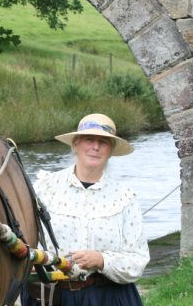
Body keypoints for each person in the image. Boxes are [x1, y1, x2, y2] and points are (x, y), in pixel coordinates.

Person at [21, 113, 150, 306]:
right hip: (53, 296)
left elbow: (138, 260)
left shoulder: (124, 196)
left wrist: (101, 260)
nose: (95, 147)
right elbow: (24, 238)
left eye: (103, 142)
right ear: (76, 144)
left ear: (111, 150)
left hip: (108, 297)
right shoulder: (44, 188)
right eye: (89, 139)